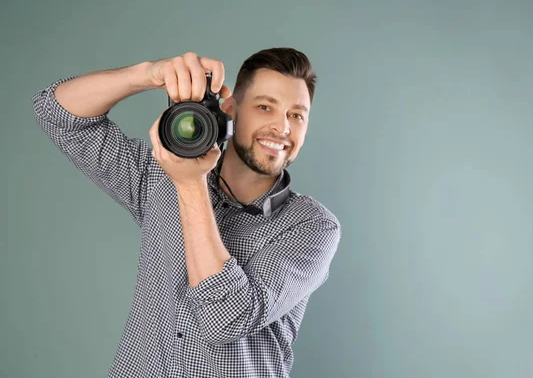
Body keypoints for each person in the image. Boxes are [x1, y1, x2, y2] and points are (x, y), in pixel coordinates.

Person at [32, 48, 341, 378]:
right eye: (265, 107)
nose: (282, 127)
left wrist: (191, 185)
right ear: (230, 109)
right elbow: (55, 113)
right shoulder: (160, 178)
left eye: (297, 115)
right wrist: (148, 74)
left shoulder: (311, 226)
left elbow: (226, 318)